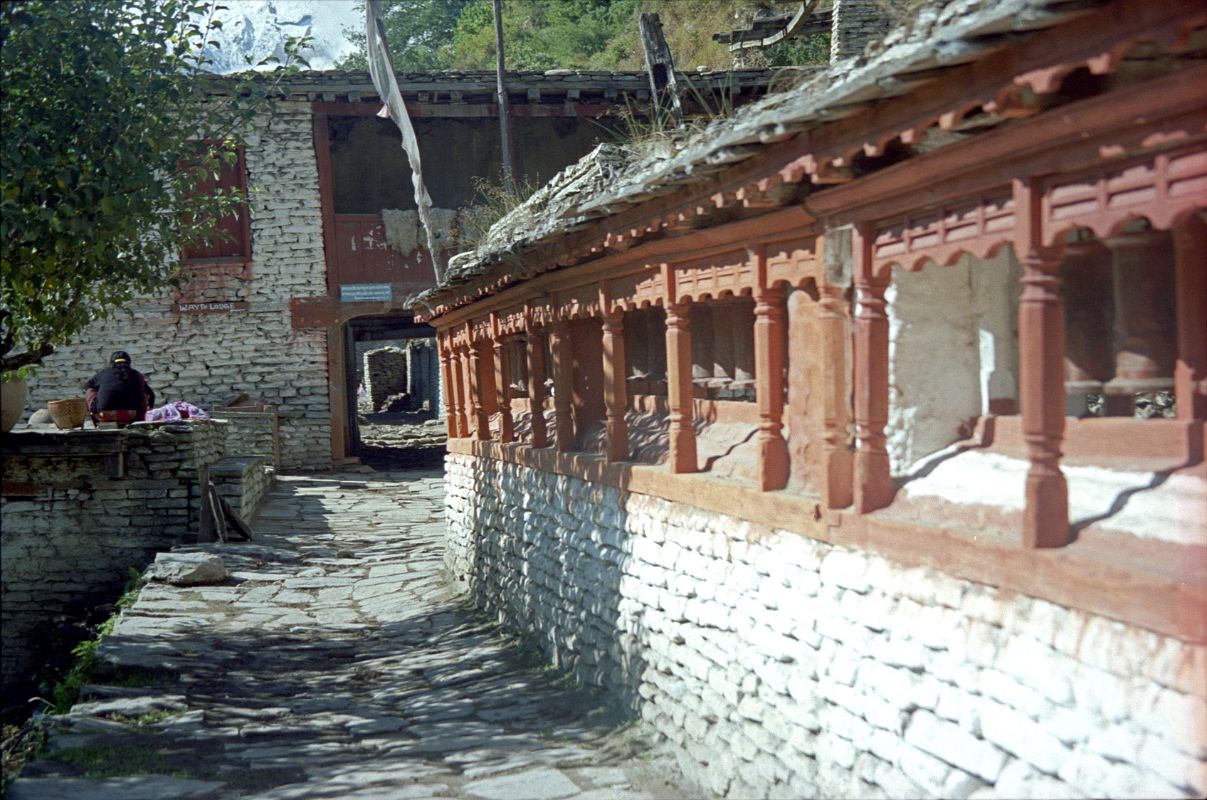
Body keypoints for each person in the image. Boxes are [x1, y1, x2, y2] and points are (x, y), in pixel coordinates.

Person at [84, 351, 155, 427]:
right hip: (131, 414)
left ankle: (96, 425)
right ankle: (139, 425)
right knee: (143, 393)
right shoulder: (136, 374)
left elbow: (86, 387)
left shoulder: (103, 373)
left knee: (90, 391)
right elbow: (151, 395)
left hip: (103, 415)